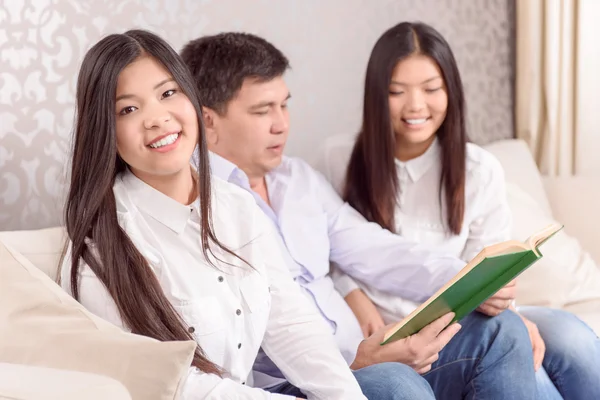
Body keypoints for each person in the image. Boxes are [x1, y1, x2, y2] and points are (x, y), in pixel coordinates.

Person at [181, 32, 538, 400]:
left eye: (284, 105)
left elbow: (375, 249)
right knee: (397, 384)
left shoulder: (298, 178)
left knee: (503, 330)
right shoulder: (197, 200)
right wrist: (354, 366)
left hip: (367, 356)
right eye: (262, 110)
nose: (282, 124)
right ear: (208, 121)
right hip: (301, 384)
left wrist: (469, 279)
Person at [59, 28, 381, 400]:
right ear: (106, 131)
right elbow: (176, 385)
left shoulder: (237, 206)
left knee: (390, 385)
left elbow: (291, 323)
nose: (157, 118)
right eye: (128, 109)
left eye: (167, 93)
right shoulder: (100, 251)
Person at [318, 21, 600, 400]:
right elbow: (321, 251)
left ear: (451, 90)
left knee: (573, 337)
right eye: (397, 91)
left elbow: (485, 270)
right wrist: (354, 295)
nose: (416, 106)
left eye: (431, 89)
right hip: (397, 332)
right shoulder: (338, 159)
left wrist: (509, 310)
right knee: (538, 381)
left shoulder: (478, 169)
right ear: (375, 95)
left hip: (461, 319)